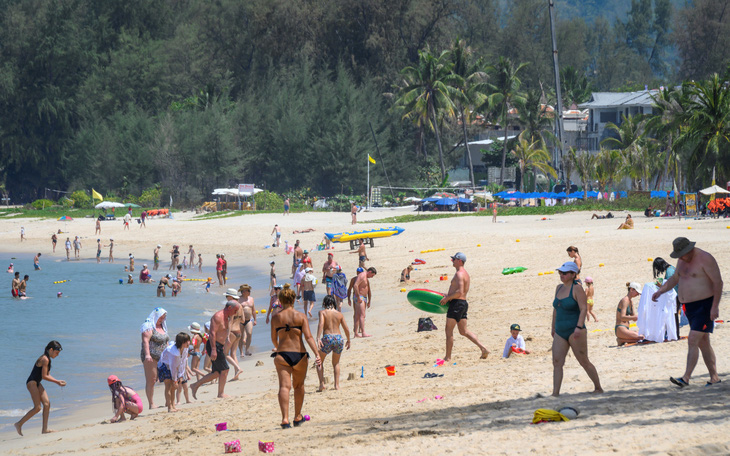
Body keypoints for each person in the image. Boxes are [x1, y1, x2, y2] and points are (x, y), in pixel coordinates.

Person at [652, 237, 723, 387]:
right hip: (689, 308)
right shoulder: (682, 260)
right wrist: (661, 291)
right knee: (703, 343)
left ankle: (685, 378)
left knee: (692, 340)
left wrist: (715, 306)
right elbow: (674, 279)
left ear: (689, 249)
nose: (681, 257)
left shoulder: (705, 258)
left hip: (704, 305)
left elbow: (718, 282)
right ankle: (714, 377)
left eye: (683, 254)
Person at [270, 284, 321, 428]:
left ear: (280, 300)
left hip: (282, 355)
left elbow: (274, 339)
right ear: (293, 300)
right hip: (299, 355)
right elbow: (309, 337)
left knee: (284, 387)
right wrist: (317, 353)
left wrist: (279, 343)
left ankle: (284, 419)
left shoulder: (276, 318)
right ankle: (297, 416)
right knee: (298, 386)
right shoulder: (301, 316)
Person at [551, 261, 602, 396]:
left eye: (565, 273)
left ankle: (598, 387)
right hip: (560, 331)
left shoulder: (577, 288)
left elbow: (583, 308)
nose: (561, 275)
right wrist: (553, 327)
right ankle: (555, 393)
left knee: (583, 361)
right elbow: (556, 309)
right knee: (557, 362)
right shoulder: (558, 288)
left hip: (575, 329)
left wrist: (579, 327)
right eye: (560, 272)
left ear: (573, 274)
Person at [439, 253, 489, 360]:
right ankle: (483, 348)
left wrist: (448, 298)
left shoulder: (459, 274)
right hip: (463, 304)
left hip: (456, 304)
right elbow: (459, 291)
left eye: (454, 259)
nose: (452, 261)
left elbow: (460, 292)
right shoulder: (465, 274)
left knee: (449, 331)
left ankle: (447, 357)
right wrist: (448, 295)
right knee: (463, 331)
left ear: (460, 261)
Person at [190, 294, 241, 399]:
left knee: (217, 373)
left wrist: (227, 338)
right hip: (214, 345)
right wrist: (213, 349)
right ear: (229, 308)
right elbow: (212, 333)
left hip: (220, 345)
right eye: (235, 310)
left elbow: (228, 326)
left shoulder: (229, 316)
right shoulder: (218, 317)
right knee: (225, 369)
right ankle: (220, 393)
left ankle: (195, 385)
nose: (236, 313)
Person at [14, 341, 66, 436]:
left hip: (37, 382)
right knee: (37, 407)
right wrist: (57, 382)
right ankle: (18, 424)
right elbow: (44, 376)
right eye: (56, 353)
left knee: (47, 404)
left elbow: (47, 375)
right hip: (32, 382)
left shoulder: (48, 359)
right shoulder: (44, 359)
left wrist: (57, 381)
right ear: (51, 350)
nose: (57, 355)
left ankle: (44, 429)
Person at [316, 295, 351, 391]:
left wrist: (318, 338)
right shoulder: (339, 314)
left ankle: (321, 384)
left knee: (319, 361)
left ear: (324, 303)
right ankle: (337, 385)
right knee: (336, 363)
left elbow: (321, 324)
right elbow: (346, 328)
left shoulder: (322, 312)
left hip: (327, 338)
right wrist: (348, 340)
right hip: (338, 338)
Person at [140, 307, 170, 409]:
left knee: (167, 378)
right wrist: (147, 354)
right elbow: (145, 341)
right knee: (151, 380)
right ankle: (151, 403)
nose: (162, 319)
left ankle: (168, 401)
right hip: (151, 357)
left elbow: (166, 341)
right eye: (160, 317)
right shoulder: (148, 326)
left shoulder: (163, 326)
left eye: (164, 317)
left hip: (163, 357)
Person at [158, 332, 191, 412]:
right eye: (187, 341)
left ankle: (173, 406)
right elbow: (173, 367)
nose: (189, 343)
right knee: (169, 386)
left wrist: (181, 375)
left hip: (173, 367)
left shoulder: (185, 349)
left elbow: (182, 363)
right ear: (181, 342)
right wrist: (175, 380)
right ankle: (169, 407)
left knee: (174, 387)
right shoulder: (173, 352)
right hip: (164, 366)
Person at [653, 257, 680, 337]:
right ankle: (675, 334)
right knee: (674, 315)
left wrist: (660, 287)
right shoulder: (671, 268)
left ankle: (675, 334)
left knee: (673, 315)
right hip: (678, 295)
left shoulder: (669, 272)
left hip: (675, 296)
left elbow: (670, 286)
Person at [353, 267, 377, 337]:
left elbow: (368, 290)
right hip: (360, 297)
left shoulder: (365, 277)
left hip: (362, 297)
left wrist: (369, 300)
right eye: (372, 275)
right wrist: (358, 297)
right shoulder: (362, 275)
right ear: (369, 272)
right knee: (362, 315)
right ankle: (363, 332)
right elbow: (355, 285)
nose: (372, 277)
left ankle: (356, 333)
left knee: (357, 315)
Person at [238, 284, 257, 356]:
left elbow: (254, 310)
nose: (250, 291)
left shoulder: (251, 299)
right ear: (243, 292)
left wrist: (255, 319)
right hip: (240, 320)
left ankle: (247, 350)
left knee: (249, 334)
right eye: (248, 290)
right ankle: (241, 352)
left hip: (249, 320)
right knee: (240, 336)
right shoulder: (238, 299)